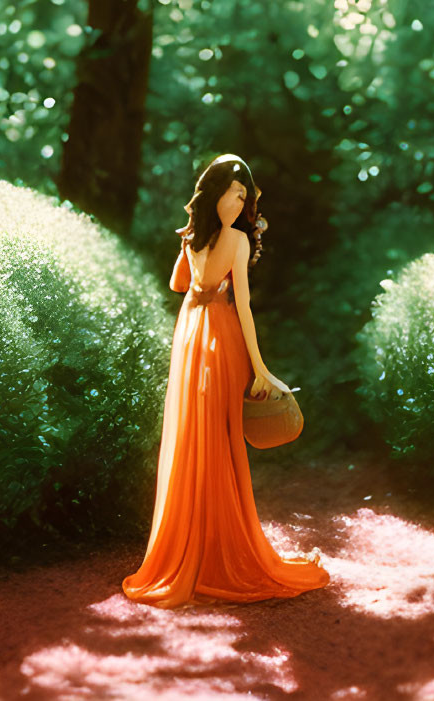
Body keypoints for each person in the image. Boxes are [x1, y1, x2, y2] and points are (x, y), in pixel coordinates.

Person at [121, 153, 328, 606]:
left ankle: (201, 549)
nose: (239, 205)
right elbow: (240, 305)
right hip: (213, 333)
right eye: (234, 195)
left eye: (243, 197)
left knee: (209, 436)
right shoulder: (231, 240)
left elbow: (183, 287)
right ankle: (211, 552)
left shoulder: (198, 237)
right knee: (206, 436)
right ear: (216, 194)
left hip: (193, 332)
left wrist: (258, 365)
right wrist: (260, 367)